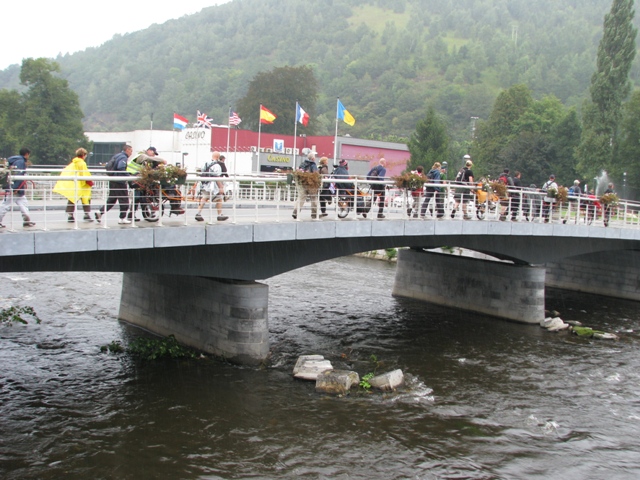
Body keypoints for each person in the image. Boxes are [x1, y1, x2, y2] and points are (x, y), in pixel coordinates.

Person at [53, 148, 95, 223]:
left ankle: (70, 215)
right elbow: (84, 173)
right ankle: (86, 214)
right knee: (86, 199)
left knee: (72, 199)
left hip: (75, 184)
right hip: (82, 185)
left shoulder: (73, 163)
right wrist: (90, 182)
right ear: (84, 155)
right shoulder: (82, 163)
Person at [0, 147, 36, 228]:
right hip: (15, 188)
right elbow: (19, 175)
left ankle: (27, 221)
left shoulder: (14, 161)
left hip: (16, 188)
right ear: (26, 154)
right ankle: (27, 221)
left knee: (23, 204)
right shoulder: (21, 162)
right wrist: (16, 188)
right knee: (6, 205)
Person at [96, 144, 132, 224]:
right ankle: (122, 218)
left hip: (112, 180)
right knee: (124, 200)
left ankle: (100, 212)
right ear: (127, 150)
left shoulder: (117, 156)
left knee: (112, 200)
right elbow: (121, 168)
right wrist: (128, 176)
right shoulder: (123, 157)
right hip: (119, 181)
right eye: (131, 151)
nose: (131, 153)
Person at [194, 154, 229, 222]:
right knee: (219, 199)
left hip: (204, 184)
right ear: (218, 157)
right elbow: (217, 177)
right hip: (213, 186)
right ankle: (219, 215)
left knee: (204, 198)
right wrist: (221, 187)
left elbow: (201, 172)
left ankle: (198, 213)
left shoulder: (205, 163)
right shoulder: (217, 165)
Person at [292, 150, 319, 220]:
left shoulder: (303, 164)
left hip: (303, 183)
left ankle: (295, 212)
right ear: (313, 158)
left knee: (301, 198)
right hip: (311, 184)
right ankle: (314, 214)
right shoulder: (313, 165)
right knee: (314, 199)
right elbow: (315, 174)